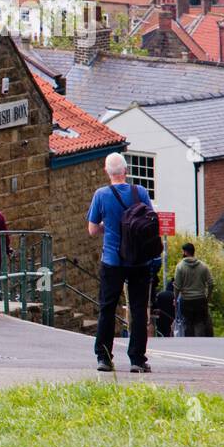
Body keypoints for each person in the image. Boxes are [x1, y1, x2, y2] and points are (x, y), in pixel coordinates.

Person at [87, 152, 153, 372]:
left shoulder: (101, 195)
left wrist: (112, 227)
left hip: (112, 259)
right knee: (138, 309)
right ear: (125, 171)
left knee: (107, 308)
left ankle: (104, 358)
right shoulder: (140, 192)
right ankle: (137, 360)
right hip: (139, 261)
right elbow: (150, 224)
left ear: (107, 171)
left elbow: (93, 229)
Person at [174, 242, 215, 337]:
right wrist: (208, 297)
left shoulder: (180, 267)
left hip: (186, 300)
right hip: (200, 299)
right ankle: (199, 344)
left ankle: (190, 344)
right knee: (199, 323)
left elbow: (177, 286)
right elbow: (211, 283)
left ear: (185, 252)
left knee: (188, 323)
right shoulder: (203, 266)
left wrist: (175, 299)